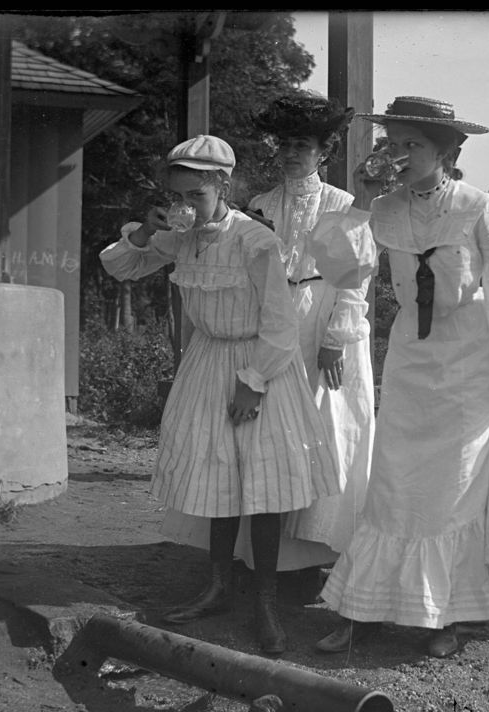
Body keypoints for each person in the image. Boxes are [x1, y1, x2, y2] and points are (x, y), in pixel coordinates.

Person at [311, 97, 489, 659]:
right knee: (392, 485)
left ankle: (444, 618)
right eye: (394, 143)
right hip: (411, 355)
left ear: (447, 152)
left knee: (453, 490)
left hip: (469, 357)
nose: (401, 155)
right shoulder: (381, 209)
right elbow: (340, 266)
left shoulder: (479, 206)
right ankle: (363, 609)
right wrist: (359, 200)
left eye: (415, 145)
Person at [98, 135, 340, 657]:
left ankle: (266, 601)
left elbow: (280, 325)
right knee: (216, 476)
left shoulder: (255, 242)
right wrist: (146, 229)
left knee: (265, 484)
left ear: (223, 185)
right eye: (176, 196)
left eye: (196, 196)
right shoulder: (181, 236)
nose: (185, 208)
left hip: (259, 366)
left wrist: (252, 384)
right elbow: (120, 266)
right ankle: (217, 586)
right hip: (206, 363)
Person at [160, 93, 376, 601]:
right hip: (271, 322)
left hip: (322, 315)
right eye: (284, 146)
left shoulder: (342, 204)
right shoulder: (261, 205)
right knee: (264, 443)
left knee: (319, 430)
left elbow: (355, 278)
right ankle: (261, 561)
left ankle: (314, 554)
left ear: (324, 152)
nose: (290, 155)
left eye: (302, 146)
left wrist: (336, 337)